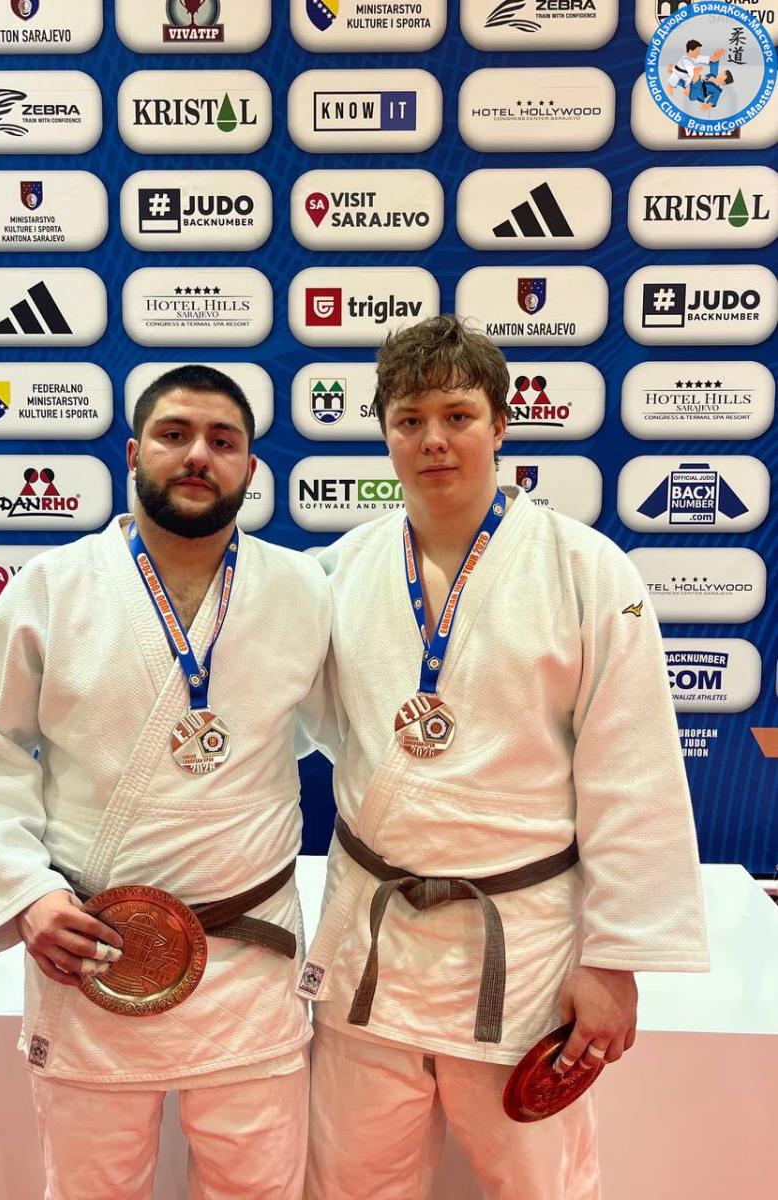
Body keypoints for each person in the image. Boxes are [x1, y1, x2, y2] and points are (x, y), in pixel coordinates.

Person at [299, 316, 709, 1200]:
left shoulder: (586, 571)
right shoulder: (338, 572)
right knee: (349, 1186)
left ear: (502, 423)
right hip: (373, 945)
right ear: (384, 432)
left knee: (541, 1187)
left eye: (458, 416)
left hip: (524, 953)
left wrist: (613, 961)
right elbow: (274, 717)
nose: (433, 440)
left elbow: (632, 773)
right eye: (410, 420)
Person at [0, 365, 334, 1200]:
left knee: (259, 1192)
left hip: (250, 960)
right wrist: (26, 893)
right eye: (174, 435)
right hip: (94, 954)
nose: (198, 457)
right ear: (132, 453)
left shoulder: (302, 590)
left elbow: (356, 733)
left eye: (223, 441)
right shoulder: (53, 589)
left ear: (251, 468)